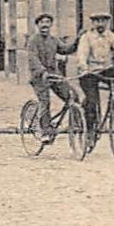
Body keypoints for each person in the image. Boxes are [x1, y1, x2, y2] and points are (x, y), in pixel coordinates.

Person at [73, 11, 114, 145]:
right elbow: (82, 54)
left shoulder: (111, 36)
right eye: (97, 21)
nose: (100, 24)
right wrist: (83, 67)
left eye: (103, 21)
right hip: (90, 72)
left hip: (106, 70)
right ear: (93, 23)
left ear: (107, 23)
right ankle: (90, 131)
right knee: (92, 102)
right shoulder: (87, 37)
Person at [25, 13, 78, 143]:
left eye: (48, 22)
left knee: (72, 95)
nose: (45, 25)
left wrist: (77, 41)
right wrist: (42, 72)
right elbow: (33, 58)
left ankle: (76, 124)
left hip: (54, 75)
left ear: (51, 25)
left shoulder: (53, 40)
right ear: (37, 25)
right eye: (42, 22)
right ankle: (45, 132)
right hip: (39, 77)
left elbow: (65, 49)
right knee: (45, 102)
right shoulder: (33, 40)